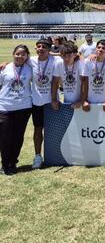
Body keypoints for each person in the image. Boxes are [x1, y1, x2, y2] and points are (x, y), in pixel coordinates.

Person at [0, 45, 33, 175]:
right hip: (4, 107)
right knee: (4, 137)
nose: (20, 56)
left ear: (27, 56)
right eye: (18, 54)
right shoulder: (4, 68)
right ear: (13, 54)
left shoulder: (30, 69)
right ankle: (5, 164)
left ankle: (13, 162)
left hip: (23, 108)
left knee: (18, 137)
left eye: (23, 54)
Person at [28, 39, 60, 169]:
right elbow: (17, 60)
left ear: (49, 49)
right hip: (37, 102)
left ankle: (55, 155)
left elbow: (73, 55)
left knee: (53, 130)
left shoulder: (55, 61)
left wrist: (53, 99)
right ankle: (37, 156)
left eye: (44, 47)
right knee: (37, 129)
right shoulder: (31, 60)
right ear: (35, 49)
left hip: (52, 102)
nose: (41, 48)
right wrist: (5, 63)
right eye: (38, 46)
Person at [81, 39, 105, 113]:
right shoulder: (88, 61)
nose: (100, 50)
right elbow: (85, 82)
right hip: (90, 101)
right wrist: (84, 100)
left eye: (103, 48)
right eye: (98, 47)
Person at [51, 42, 83, 109]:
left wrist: (81, 100)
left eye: (69, 56)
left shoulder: (80, 63)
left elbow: (85, 83)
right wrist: (54, 99)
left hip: (81, 102)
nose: (66, 59)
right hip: (67, 102)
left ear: (74, 54)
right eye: (63, 56)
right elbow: (55, 82)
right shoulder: (59, 63)